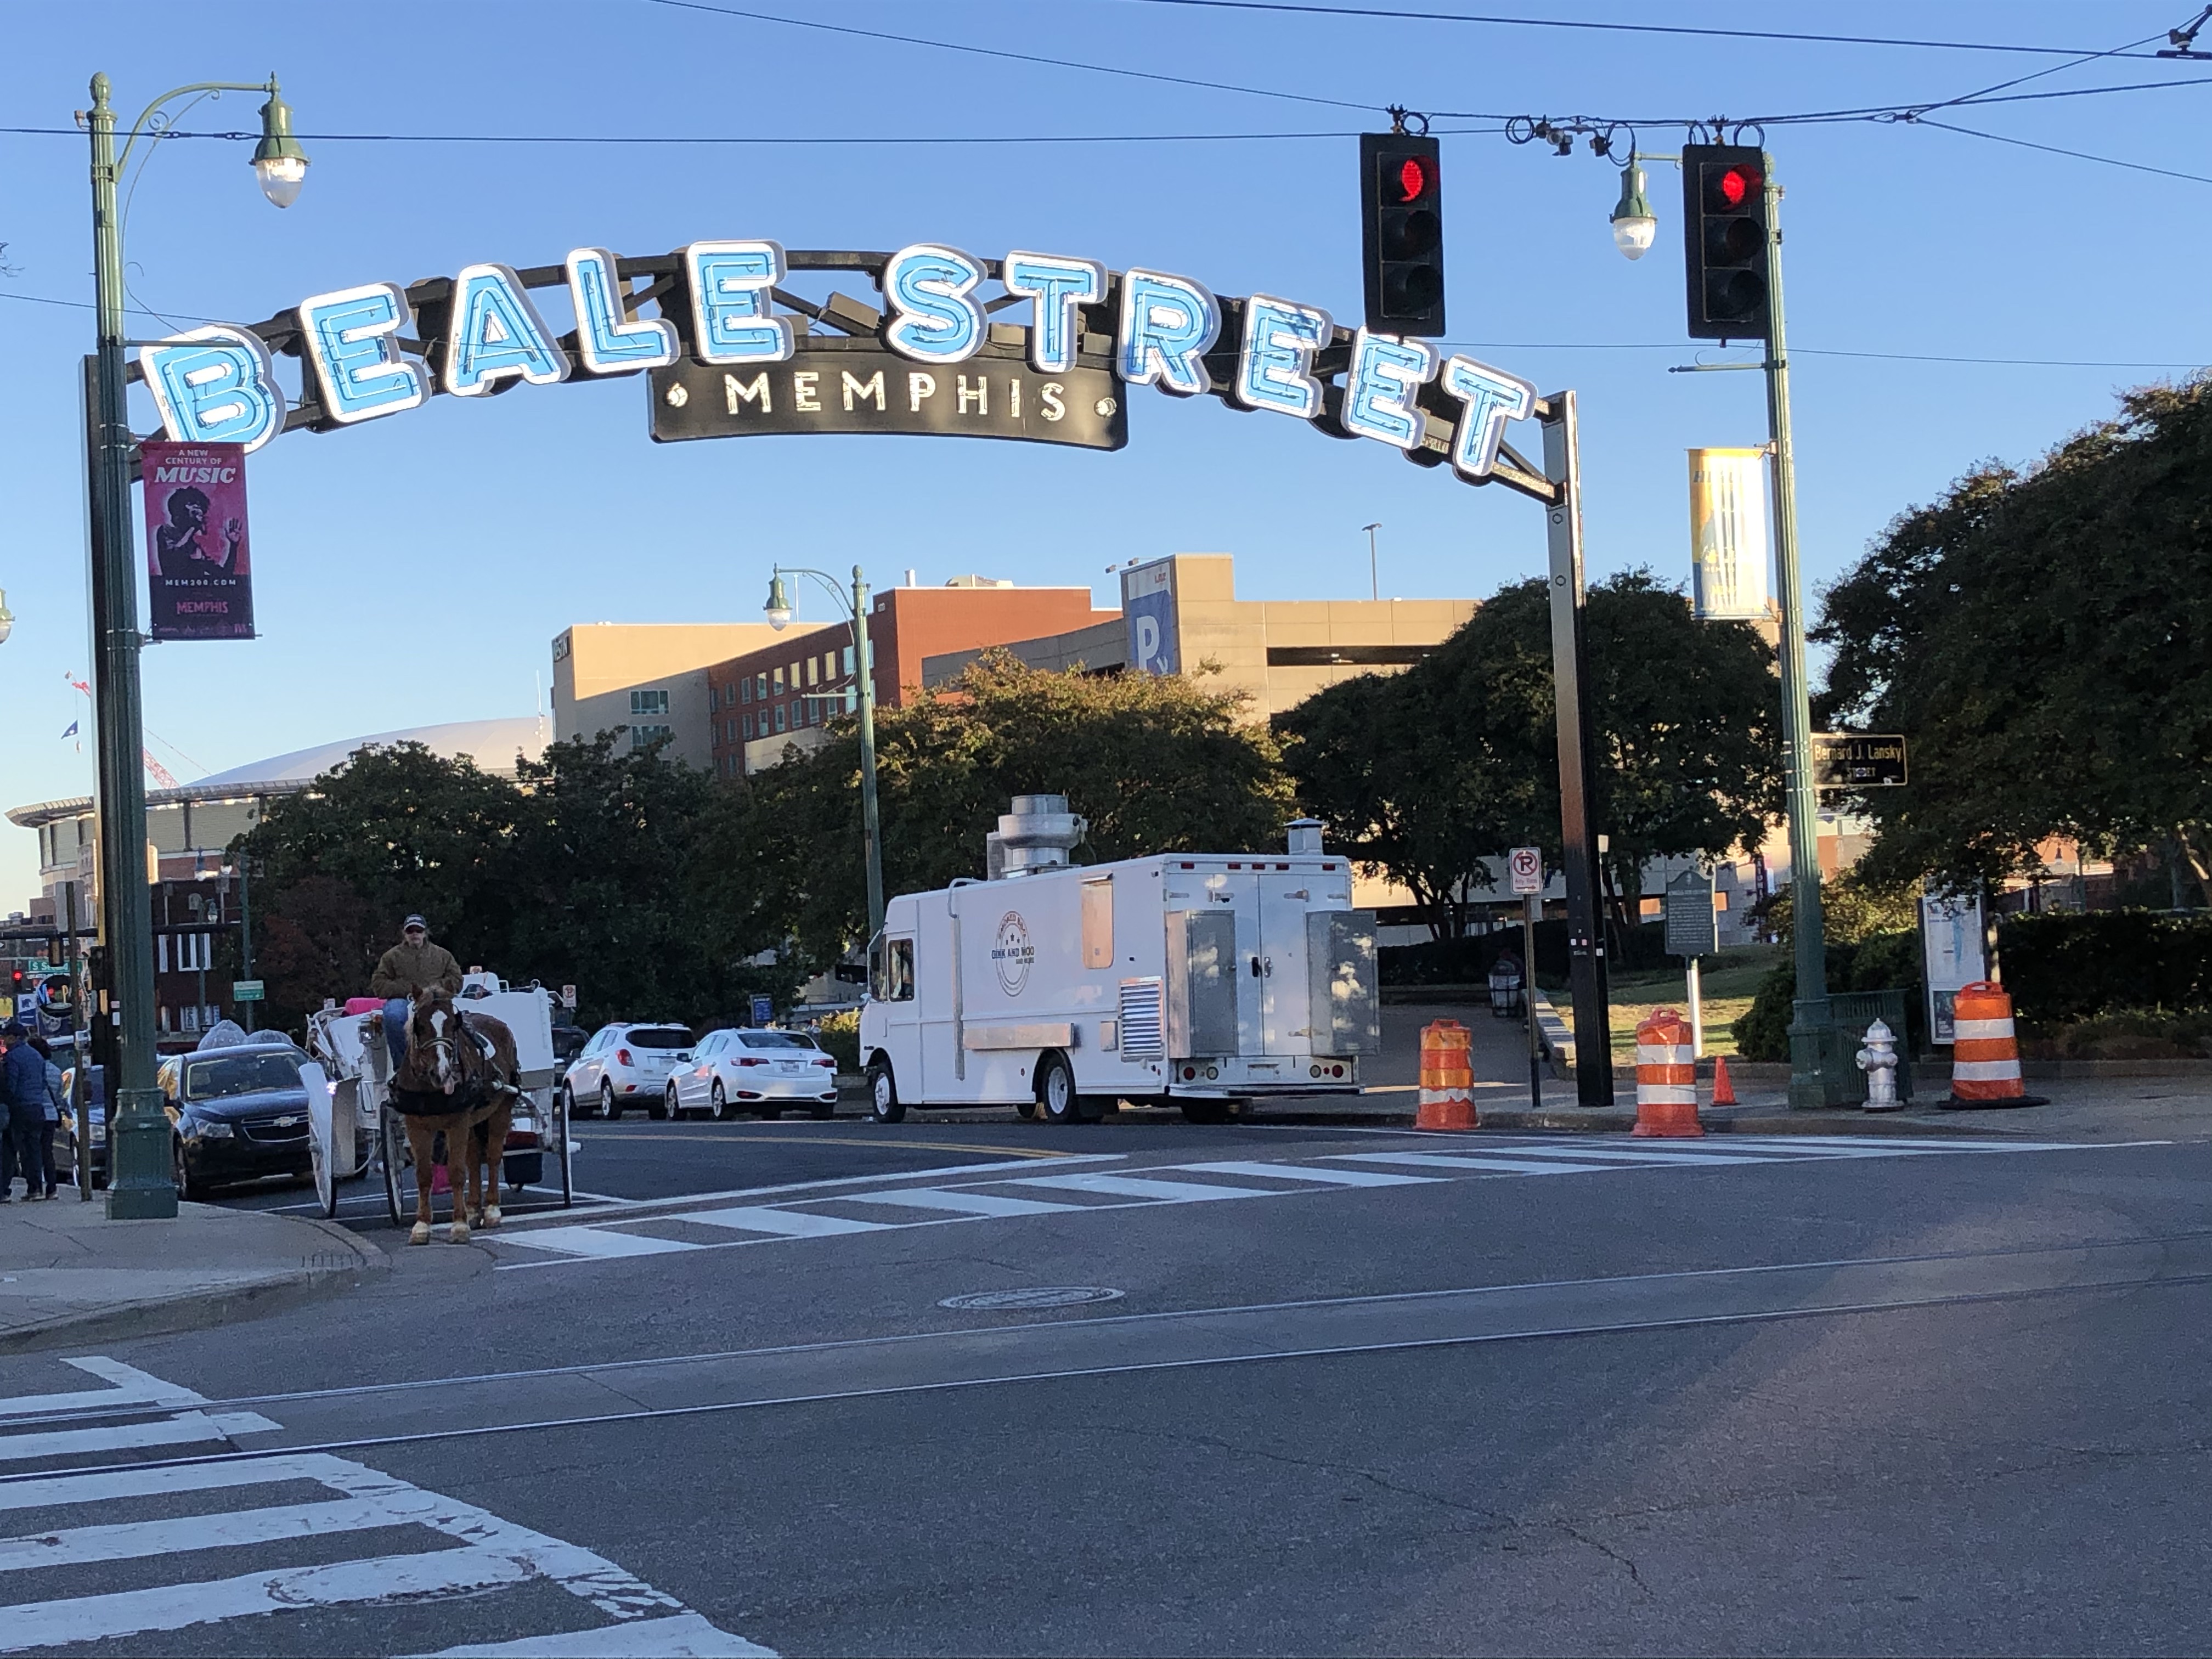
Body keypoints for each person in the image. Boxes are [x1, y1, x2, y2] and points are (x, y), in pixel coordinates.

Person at [369, 915, 464, 1075]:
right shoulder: (391, 957)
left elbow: (457, 980)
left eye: (419, 930)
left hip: (436, 1000)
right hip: (404, 1000)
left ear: (425, 933)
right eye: (410, 931)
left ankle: (455, 1062)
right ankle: (403, 1067)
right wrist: (408, 990)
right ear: (404, 934)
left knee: (456, 1017)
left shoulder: (443, 955)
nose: (415, 934)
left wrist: (434, 991)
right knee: (392, 1016)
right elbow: (378, 983)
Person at [0, 1023, 46, 1201]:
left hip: (19, 1108)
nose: (4, 1041)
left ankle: (3, 1190)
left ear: (14, 1038)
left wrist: (7, 1102)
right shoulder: (36, 1056)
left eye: (6, 1037)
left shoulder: (12, 1058)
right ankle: (36, 1188)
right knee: (34, 1149)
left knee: (10, 1149)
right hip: (37, 1107)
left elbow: (11, 1085)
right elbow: (43, 1082)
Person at [27, 1036, 63, 1199]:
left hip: (35, 1113)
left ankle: (36, 1188)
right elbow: (59, 1096)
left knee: (33, 1151)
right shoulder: (56, 1071)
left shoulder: (33, 1070)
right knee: (48, 1152)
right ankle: (52, 1188)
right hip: (51, 1115)